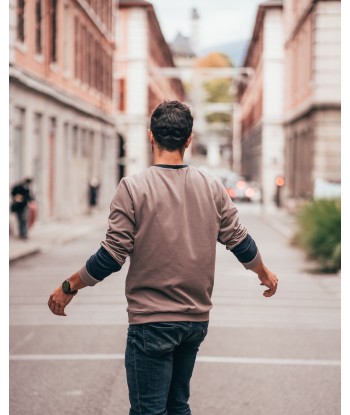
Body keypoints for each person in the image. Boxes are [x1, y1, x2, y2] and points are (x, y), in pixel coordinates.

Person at [48, 101, 278, 415]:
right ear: (189, 139)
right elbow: (239, 240)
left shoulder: (132, 188)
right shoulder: (212, 187)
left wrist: (68, 286)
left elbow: (111, 256)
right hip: (195, 321)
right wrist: (264, 273)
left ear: (151, 137)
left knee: (149, 410)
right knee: (177, 405)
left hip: (151, 323)